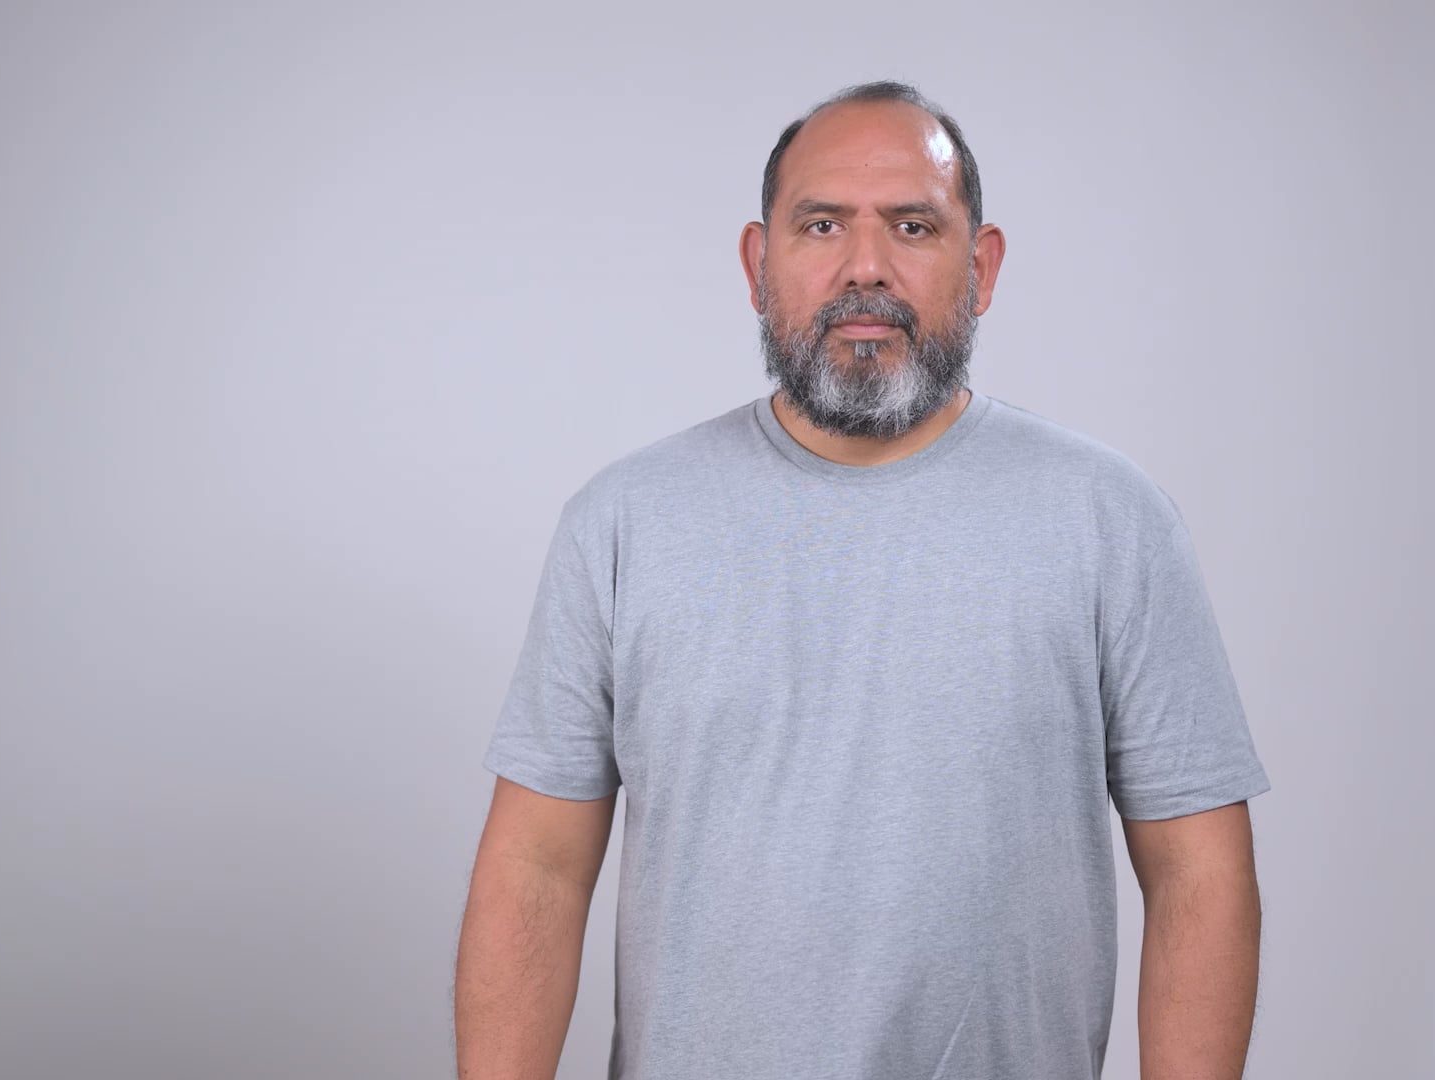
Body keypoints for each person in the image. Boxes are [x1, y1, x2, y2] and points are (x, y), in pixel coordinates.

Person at [454, 80, 1270, 1080]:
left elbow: (1198, 875)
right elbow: (536, 869)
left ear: (982, 266)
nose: (866, 267)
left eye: (913, 226)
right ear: (758, 265)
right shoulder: (624, 522)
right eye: (822, 225)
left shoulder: (1111, 519)